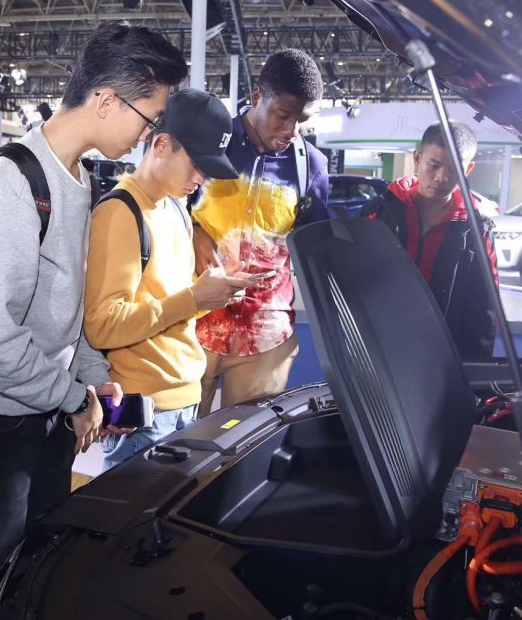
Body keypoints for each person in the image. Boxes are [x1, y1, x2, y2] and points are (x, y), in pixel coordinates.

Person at [0, 20, 188, 618]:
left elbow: (70, 311)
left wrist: (94, 381)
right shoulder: (10, 182)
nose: (147, 134)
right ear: (107, 101)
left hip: (52, 415)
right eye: (149, 118)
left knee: (41, 564)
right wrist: (75, 397)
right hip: (5, 422)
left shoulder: (80, 179)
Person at [84, 88, 260, 470]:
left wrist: (213, 293)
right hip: (143, 417)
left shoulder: (177, 208)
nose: (201, 178)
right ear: (161, 145)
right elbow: (102, 326)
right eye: (196, 165)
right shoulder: (119, 213)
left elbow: (171, 306)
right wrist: (194, 299)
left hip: (185, 403)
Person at [192, 49, 331, 417]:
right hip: (191, 320)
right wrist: (194, 230)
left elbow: (315, 247)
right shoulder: (209, 142)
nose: (291, 131)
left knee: (246, 442)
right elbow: (160, 203)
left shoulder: (311, 167)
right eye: (283, 115)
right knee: (175, 440)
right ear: (257, 97)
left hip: (266, 335)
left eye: (302, 120)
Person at [362, 121, 498, 358]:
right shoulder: (378, 213)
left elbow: (484, 308)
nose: (441, 177)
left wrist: (476, 369)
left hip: (444, 358)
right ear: (417, 158)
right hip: (379, 352)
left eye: (454, 170)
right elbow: (354, 284)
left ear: (468, 169)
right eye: (433, 165)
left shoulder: (477, 231)